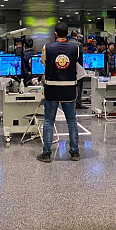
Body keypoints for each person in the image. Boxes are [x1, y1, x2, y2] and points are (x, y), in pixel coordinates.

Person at [37, 22, 80, 162]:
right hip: (69, 89)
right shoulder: (76, 48)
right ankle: (75, 152)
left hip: (52, 89)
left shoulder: (47, 48)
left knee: (49, 121)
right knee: (72, 121)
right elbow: (76, 63)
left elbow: (44, 62)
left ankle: (47, 153)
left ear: (55, 33)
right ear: (67, 33)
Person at [68, 30, 87, 109]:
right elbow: (82, 56)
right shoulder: (78, 44)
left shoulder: (67, 43)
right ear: (77, 36)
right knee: (79, 85)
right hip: (77, 67)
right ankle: (78, 103)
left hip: (68, 67)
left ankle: (69, 101)